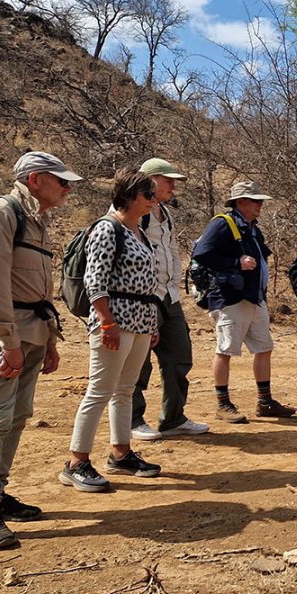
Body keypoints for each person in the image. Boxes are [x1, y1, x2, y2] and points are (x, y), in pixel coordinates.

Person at [0, 151, 81, 548]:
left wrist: (48, 341)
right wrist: (8, 343)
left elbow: (36, 291)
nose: (67, 187)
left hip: (31, 331)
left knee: (17, 415)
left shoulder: (37, 220)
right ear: (34, 180)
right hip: (2, 332)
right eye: (60, 180)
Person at [60, 168, 162, 492]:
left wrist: (151, 322)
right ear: (130, 195)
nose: (154, 200)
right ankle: (76, 462)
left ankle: (121, 453)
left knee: (125, 389)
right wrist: (106, 321)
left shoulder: (139, 232)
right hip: (115, 321)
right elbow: (95, 280)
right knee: (99, 390)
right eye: (149, 194)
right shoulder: (108, 229)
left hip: (141, 321)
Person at [192, 181, 295, 424]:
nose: (260, 205)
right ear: (241, 202)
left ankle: (265, 401)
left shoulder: (251, 227)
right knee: (226, 350)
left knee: (264, 348)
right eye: (255, 200)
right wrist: (235, 263)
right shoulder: (222, 223)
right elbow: (201, 254)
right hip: (230, 298)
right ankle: (223, 404)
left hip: (253, 298)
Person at [129, 158, 209, 441]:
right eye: (168, 180)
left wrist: (173, 285)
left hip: (168, 297)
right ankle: (132, 420)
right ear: (148, 180)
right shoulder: (133, 211)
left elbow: (172, 250)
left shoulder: (164, 212)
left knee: (179, 356)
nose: (173, 186)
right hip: (141, 297)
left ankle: (173, 418)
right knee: (138, 362)